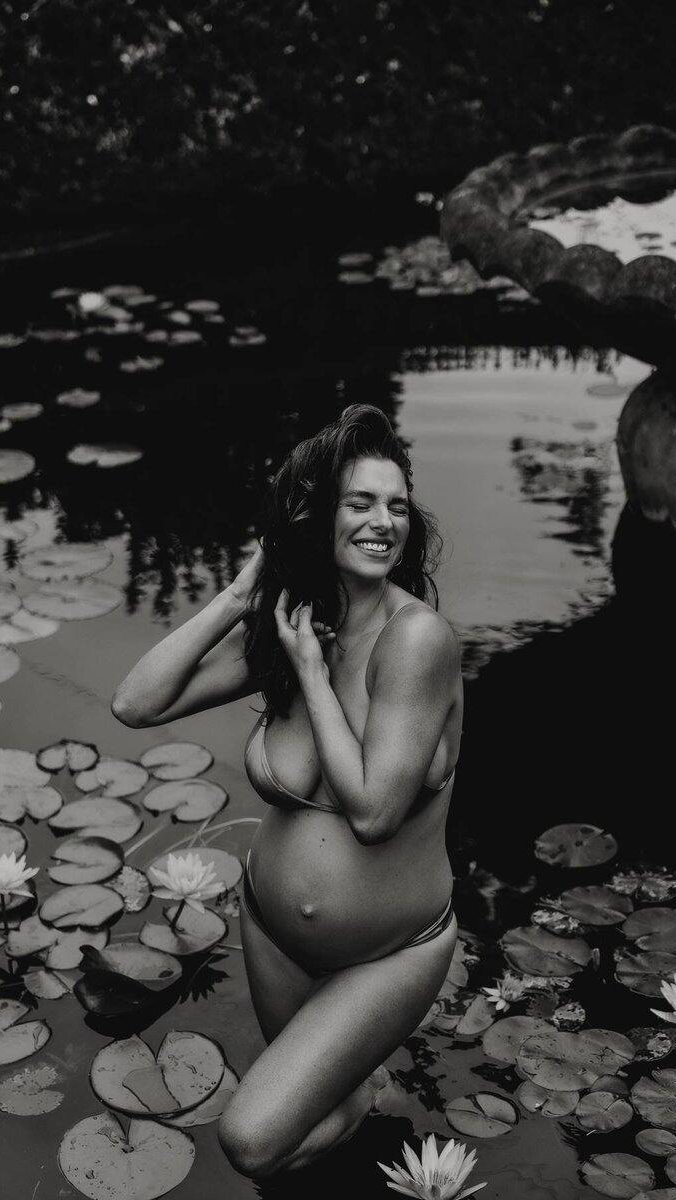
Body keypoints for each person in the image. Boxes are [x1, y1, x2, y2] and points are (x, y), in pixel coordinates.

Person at [112, 404, 462, 1177]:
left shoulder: (416, 640)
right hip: (272, 930)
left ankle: (362, 1111)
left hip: (386, 953)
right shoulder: (293, 621)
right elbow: (137, 704)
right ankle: (353, 1122)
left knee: (252, 1141)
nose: (383, 522)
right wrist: (239, 599)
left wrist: (312, 675)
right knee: (310, 1126)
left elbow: (373, 813)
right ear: (316, 517)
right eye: (360, 502)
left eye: (398, 505)